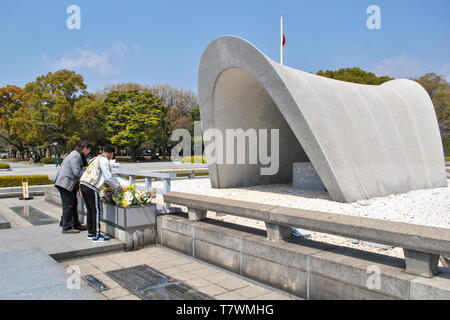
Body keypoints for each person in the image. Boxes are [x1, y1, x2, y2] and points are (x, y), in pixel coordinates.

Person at [80, 144, 125, 242]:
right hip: (91, 186)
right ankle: (97, 236)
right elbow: (108, 177)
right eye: (112, 155)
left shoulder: (95, 159)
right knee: (96, 211)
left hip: (83, 184)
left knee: (90, 210)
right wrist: (118, 187)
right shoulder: (104, 160)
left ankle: (91, 233)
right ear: (111, 153)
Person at [54, 141, 91, 233]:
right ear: (85, 148)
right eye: (89, 150)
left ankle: (74, 224)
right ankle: (67, 227)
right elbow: (77, 172)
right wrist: (89, 171)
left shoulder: (77, 154)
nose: (88, 152)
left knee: (73, 203)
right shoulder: (76, 156)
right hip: (65, 183)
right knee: (69, 205)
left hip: (67, 183)